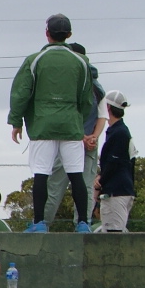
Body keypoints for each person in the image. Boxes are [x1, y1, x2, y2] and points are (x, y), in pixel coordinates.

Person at [10, 13, 97, 233]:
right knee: (76, 175)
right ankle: (83, 223)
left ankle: (39, 223)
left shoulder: (34, 60)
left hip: (42, 125)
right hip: (71, 125)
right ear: (69, 34)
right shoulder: (81, 62)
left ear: (47, 33)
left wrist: (16, 121)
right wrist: (77, 118)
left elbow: (21, 93)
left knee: (41, 174)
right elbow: (87, 98)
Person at [44, 42, 108, 226]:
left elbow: (63, 114)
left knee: (55, 186)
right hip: (90, 143)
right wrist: (93, 137)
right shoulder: (97, 86)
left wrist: (82, 137)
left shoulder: (66, 83)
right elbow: (102, 115)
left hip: (67, 139)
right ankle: (83, 224)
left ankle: (42, 223)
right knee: (86, 186)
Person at [98, 92, 136, 233]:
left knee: (113, 234)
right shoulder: (120, 131)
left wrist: (100, 182)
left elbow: (113, 163)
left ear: (108, 107)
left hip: (116, 192)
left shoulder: (119, 133)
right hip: (122, 190)